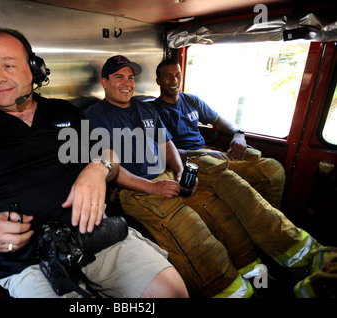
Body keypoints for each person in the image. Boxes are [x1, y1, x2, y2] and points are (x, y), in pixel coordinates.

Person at [0, 28, 188, 298]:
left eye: (8, 65)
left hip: (96, 237)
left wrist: (97, 168)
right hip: (25, 262)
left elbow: (109, 158)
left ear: (34, 68)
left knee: (171, 291)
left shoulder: (64, 111)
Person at [85, 55, 335, 298]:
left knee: (219, 210)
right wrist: (152, 187)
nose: (127, 82)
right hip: (133, 187)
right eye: (119, 77)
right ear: (104, 82)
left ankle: (269, 272)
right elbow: (108, 167)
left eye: (130, 77)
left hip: (167, 173)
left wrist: (179, 170)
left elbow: (166, 144)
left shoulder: (143, 109)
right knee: (191, 229)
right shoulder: (96, 115)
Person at [153, 59, 285, 209]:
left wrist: (238, 133)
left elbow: (218, 119)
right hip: (189, 161)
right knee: (272, 171)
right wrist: (201, 153)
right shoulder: (153, 111)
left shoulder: (191, 100)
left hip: (206, 152)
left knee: (267, 164)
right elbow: (162, 151)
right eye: (167, 76)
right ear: (158, 81)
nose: (174, 80)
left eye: (177, 74)